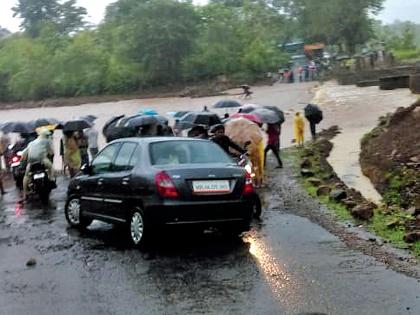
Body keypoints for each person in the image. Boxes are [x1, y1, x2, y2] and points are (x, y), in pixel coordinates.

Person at [21, 129, 55, 200]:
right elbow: (51, 152)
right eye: (47, 135)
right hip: (42, 160)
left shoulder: (31, 143)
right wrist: (50, 154)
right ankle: (52, 180)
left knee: (26, 175)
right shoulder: (46, 141)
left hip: (31, 163)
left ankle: (25, 193)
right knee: (51, 167)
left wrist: (23, 160)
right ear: (45, 135)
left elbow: (24, 153)